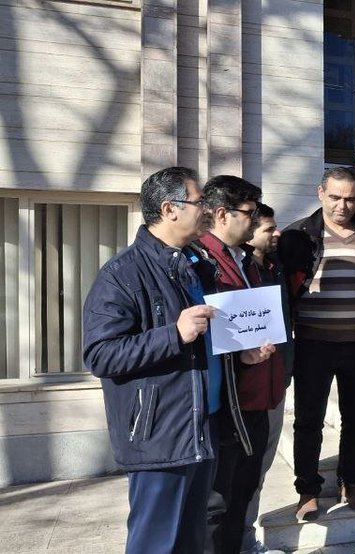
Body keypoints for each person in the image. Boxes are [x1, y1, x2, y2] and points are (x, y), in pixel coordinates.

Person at [82, 167, 269, 554]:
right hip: (160, 437)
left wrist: (240, 354)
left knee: (189, 543)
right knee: (155, 544)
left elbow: (204, 341)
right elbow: (100, 354)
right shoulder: (123, 274)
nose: (206, 210)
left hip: (202, 429)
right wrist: (173, 333)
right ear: (169, 209)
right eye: (199, 202)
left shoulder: (195, 266)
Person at [278, 168, 355, 521]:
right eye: (336, 197)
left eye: (350, 198)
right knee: (309, 420)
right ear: (320, 193)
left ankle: (351, 480)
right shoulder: (298, 236)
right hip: (313, 344)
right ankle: (307, 489)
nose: (343, 205)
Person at [193, 176, 285, 554]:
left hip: (257, 394)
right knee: (218, 502)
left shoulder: (248, 261)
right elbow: (200, 330)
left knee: (245, 489)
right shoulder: (199, 263)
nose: (254, 220)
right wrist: (236, 355)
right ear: (221, 214)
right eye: (248, 213)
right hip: (225, 403)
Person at [240, 203, 293, 554]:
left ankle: (247, 539)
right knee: (241, 473)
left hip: (276, 381)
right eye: (268, 229)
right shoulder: (235, 269)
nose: (276, 234)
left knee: (260, 468)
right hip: (245, 388)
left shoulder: (275, 267)